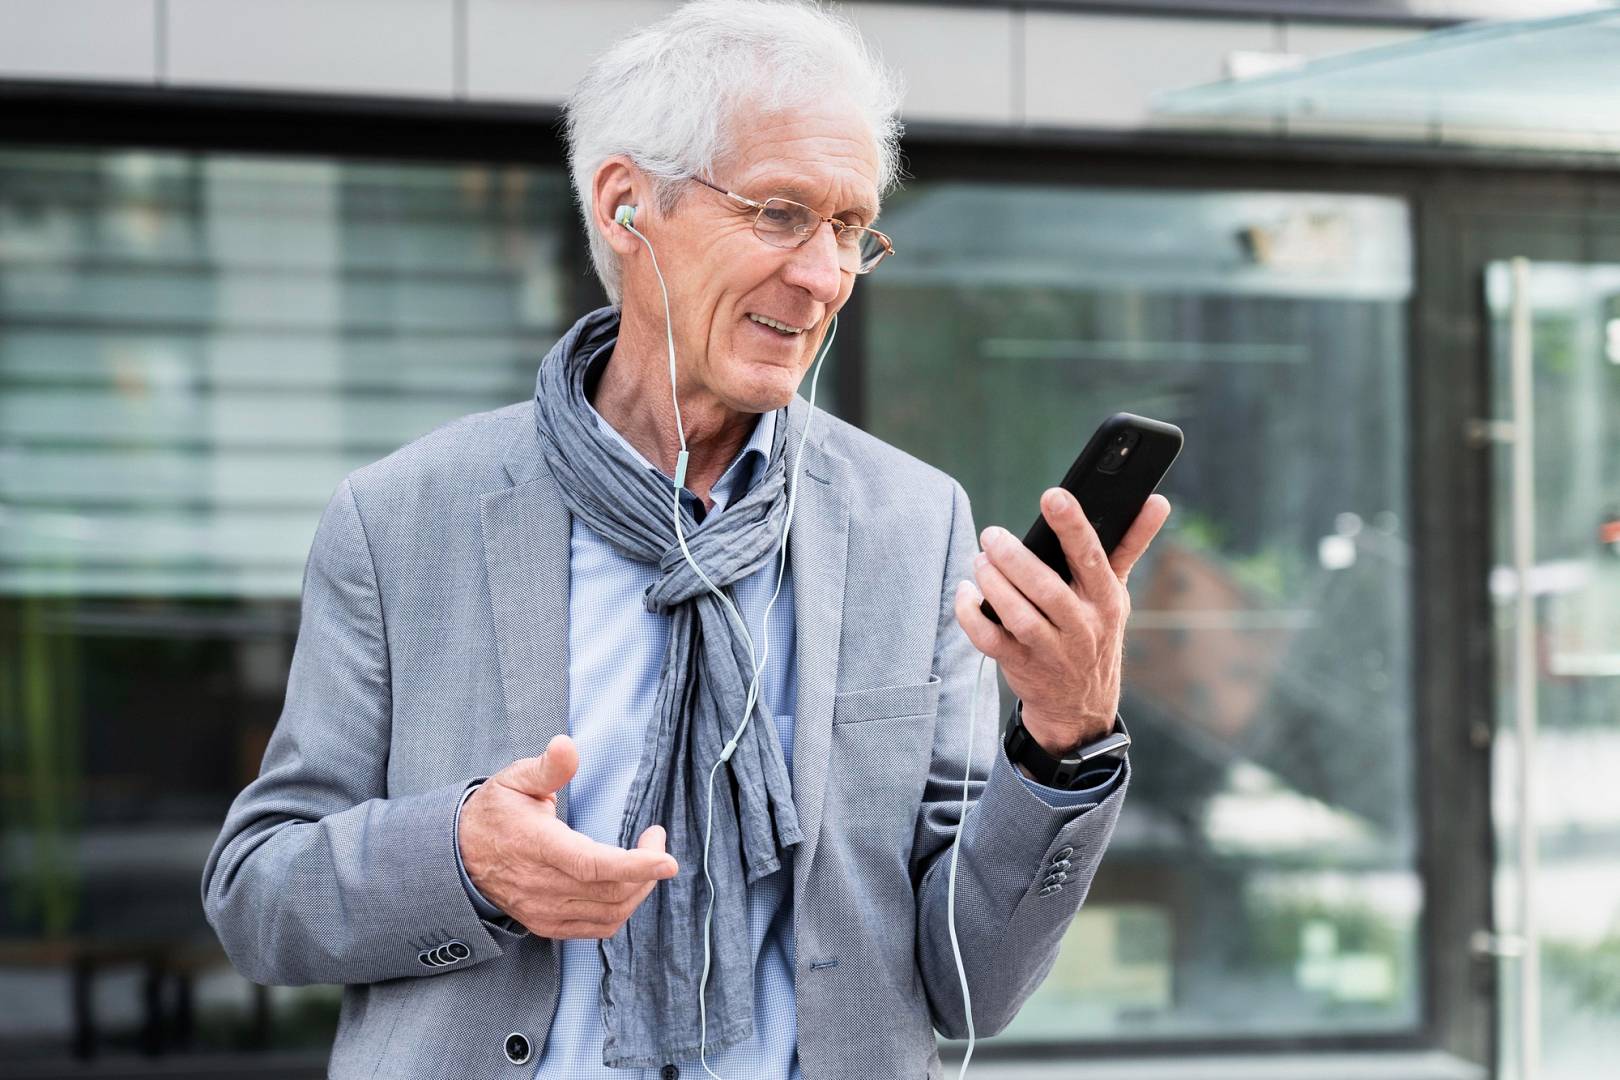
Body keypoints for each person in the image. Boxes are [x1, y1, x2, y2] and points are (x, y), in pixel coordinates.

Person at [200, 2, 1171, 1078]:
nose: (824, 276)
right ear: (626, 207)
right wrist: (465, 859)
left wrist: (1062, 737)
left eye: (852, 229)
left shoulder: (911, 523)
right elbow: (258, 894)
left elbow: (968, 979)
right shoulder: (402, 519)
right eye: (780, 213)